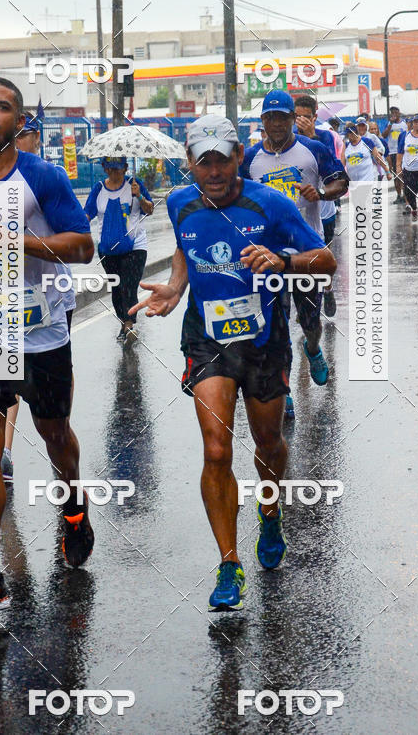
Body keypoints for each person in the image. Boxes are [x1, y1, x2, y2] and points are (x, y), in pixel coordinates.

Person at [129, 115, 336, 611]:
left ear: (239, 157)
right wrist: (176, 290)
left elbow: (325, 260)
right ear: (191, 166)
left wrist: (282, 262)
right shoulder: (179, 203)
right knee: (217, 449)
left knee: (268, 439)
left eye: (223, 159)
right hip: (207, 340)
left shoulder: (271, 203)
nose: (215, 171)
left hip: (265, 339)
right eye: (205, 162)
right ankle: (228, 564)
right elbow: (185, 249)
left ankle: (270, 508)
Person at [0, 77, 95, 616]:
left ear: (18, 121)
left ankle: (74, 503)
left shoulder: (44, 177)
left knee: (53, 434)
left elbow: (81, 246)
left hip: (42, 333)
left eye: (0, 107)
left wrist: (15, 239)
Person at [240, 90, 347, 390]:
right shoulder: (249, 159)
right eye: (269, 117)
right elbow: (234, 196)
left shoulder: (313, 149)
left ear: (292, 119)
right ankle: (282, 390)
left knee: (311, 324)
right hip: (266, 256)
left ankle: (312, 349)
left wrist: (322, 193)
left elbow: (341, 180)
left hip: (306, 254)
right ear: (262, 121)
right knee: (276, 327)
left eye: (282, 117)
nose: (276, 124)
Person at [0, 112, 77, 484]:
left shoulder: (47, 177)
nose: (21, 140)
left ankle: (58, 437)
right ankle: (5, 451)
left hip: (54, 298)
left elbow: (76, 238)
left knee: (53, 414)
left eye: (26, 134)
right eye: (16, 134)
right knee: (6, 380)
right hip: (4, 303)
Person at [84, 155, 154, 345]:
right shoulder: (99, 189)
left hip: (135, 246)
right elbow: (87, 214)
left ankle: (129, 324)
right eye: (111, 169)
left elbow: (149, 209)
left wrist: (139, 195)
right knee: (116, 287)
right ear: (105, 168)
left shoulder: (134, 184)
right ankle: (124, 322)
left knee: (128, 285)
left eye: (119, 169)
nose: (115, 173)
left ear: (125, 168)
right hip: (108, 249)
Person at [292, 97, 340, 318]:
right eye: (296, 116)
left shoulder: (325, 137)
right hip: (296, 216)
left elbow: (331, 168)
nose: (300, 121)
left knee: (323, 262)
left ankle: (328, 289)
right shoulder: (286, 141)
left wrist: (310, 137)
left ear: (314, 116)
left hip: (324, 211)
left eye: (305, 116)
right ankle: (307, 314)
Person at [383, 106, 408, 203]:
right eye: (392, 112)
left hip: (403, 152)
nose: (393, 114)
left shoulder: (404, 124)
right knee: (396, 175)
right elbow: (384, 135)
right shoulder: (389, 124)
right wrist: (390, 124)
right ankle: (399, 195)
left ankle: (406, 194)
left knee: (404, 174)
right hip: (392, 152)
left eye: (395, 112)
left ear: (399, 113)